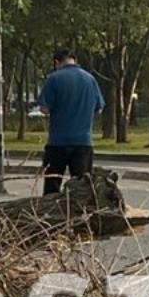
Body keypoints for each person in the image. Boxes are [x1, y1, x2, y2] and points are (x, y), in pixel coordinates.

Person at [37, 49, 104, 195]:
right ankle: (82, 216)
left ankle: (51, 216)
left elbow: (44, 108)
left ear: (56, 62)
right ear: (74, 59)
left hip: (57, 143)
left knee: (52, 188)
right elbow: (99, 108)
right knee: (82, 189)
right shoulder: (90, 79)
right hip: (83, 142)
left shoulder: (53, 79)